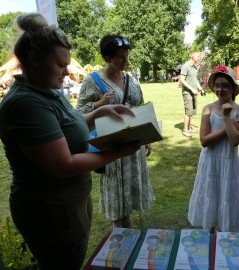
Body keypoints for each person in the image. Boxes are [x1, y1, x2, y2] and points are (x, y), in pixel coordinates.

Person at [0, 13, 140, 270]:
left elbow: (68, 128)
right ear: (33, 60)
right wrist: (118, 152)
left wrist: (97, 114)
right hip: (50, 209)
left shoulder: (47, 90)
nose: (67, 71)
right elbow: (62, 164)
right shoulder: (26, 103)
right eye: (60, 64)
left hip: (68, 201)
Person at [76, 34, 155, 229]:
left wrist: (147, 138)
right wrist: (99, 104)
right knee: (116, 199)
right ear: (107, 58)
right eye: (120, 57)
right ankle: (121, 236)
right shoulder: (92, 81)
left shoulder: (132, 81)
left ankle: (126, 231)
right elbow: (77, 115)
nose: (125, 61)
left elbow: (139, 108)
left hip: (133, 147)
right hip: (112, 149)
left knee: (128, 197)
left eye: (126, 56)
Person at [188, 65, 239, 233]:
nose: (219, 89)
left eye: (224, 85)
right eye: (217, 85)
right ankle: (209, 236)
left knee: (225, 198)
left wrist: (227, 116)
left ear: (233, 89)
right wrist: (227, 127)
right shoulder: (208, 109)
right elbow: (204, 140)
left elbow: (235, 140)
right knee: (211, 196)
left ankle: (224, 242)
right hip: (210, 161)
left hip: (228, 162)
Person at [179, 51, 205, 137]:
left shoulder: (194, 67)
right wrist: (192, 89)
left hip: (194, 92)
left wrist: (201, 89)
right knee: (188, 112)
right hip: (187, 93)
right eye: (197, 56)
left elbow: (195, 80)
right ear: (192, 57)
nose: (199, 58)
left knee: (192, 111)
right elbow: (182, 80)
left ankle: (189, 128)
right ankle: (185, 130)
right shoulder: (186, 66)